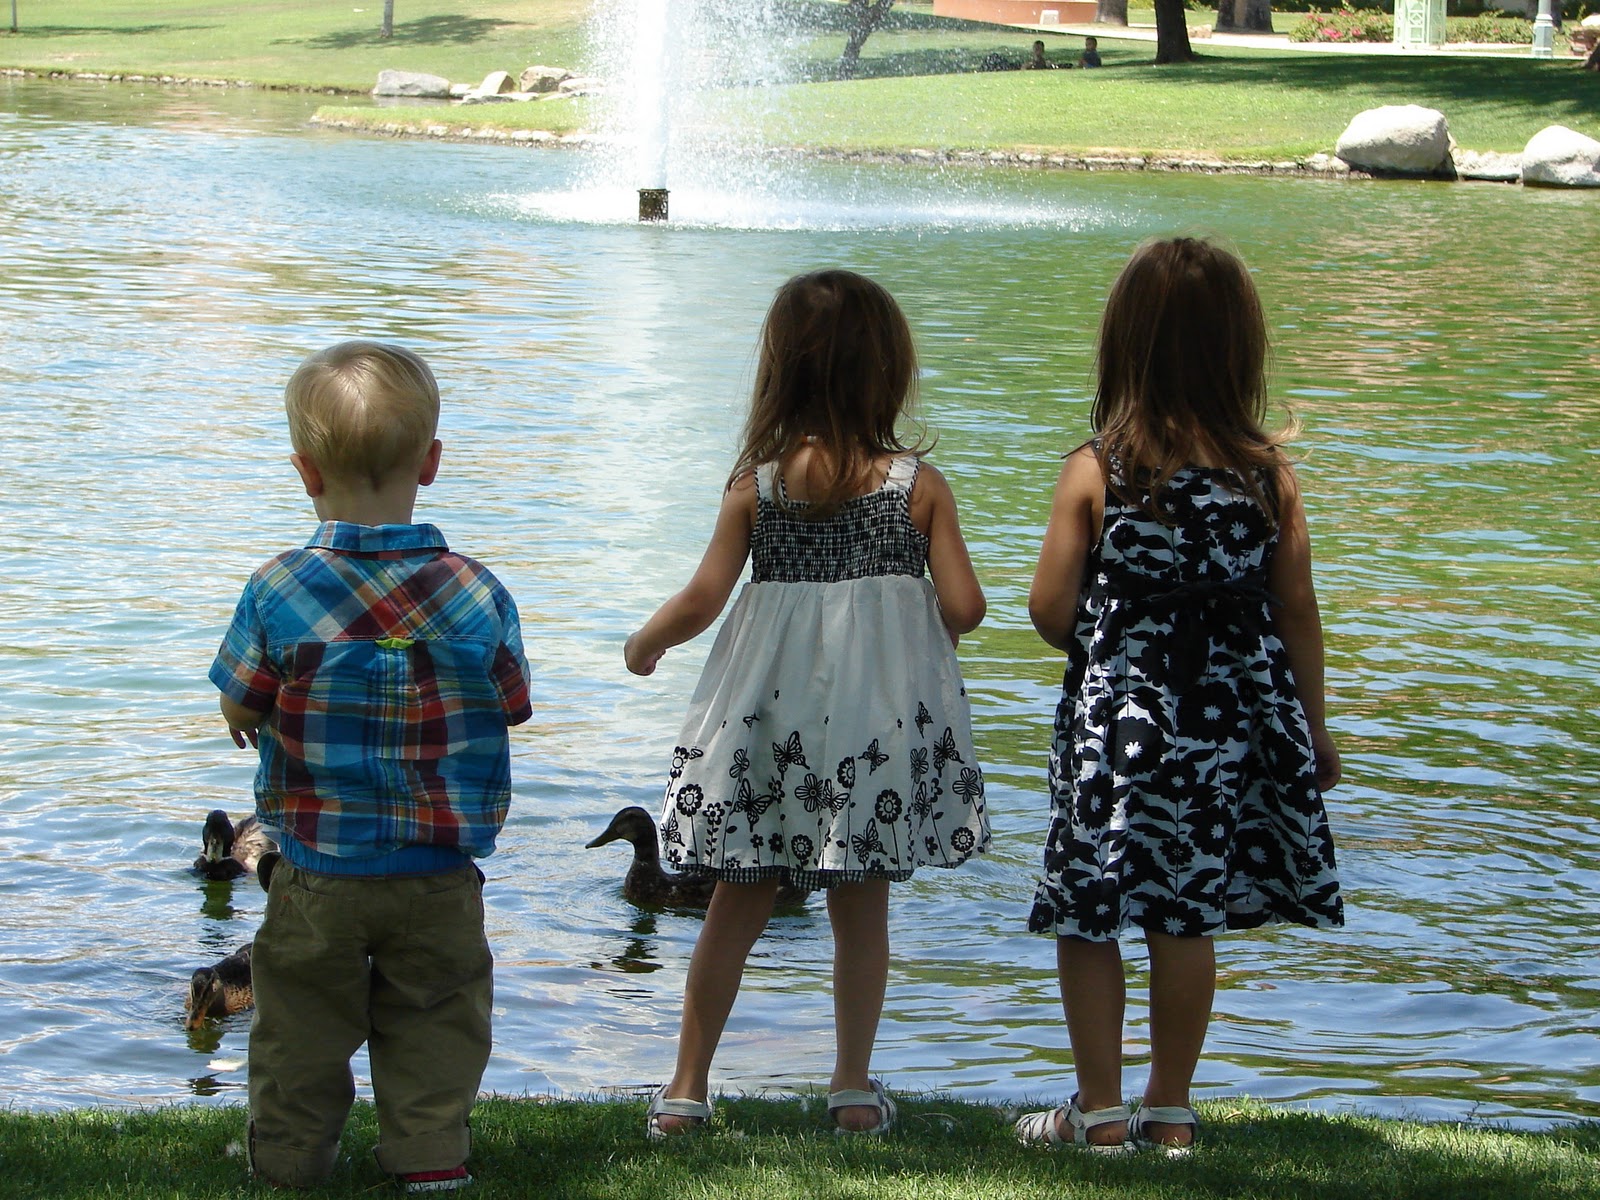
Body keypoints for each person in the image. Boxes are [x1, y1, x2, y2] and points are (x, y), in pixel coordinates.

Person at [625, 269, 990, 1139]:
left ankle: (685, 1089)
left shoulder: (758, 486)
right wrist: (903, 612)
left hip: (767, 734)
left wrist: (645, 643)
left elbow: (704, 597)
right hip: (871, 738)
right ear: (888, 371)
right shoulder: (916, 487)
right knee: (860, 913)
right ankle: (853, 1090)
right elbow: (968, 608)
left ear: (780, 373)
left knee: (734, 905)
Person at [1018, 238, 1342, 1154]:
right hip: (1229, 726)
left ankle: (1099, 1108)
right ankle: (1171, 1106)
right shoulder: (1267, 476)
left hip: (1116, 726)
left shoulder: (1100, 468)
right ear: (1240, 348)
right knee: (1186, 910)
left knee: (1090, 910)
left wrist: (1115, 646)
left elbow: (1048, 607)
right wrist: (1313, 727)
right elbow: (1299, 610)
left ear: (1125, 345)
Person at [210, 341, 532, 1194]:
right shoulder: (478, 590)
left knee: (299, 1028)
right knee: (436, 1021)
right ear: (430, 463)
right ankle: (429, 1160)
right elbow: (512, 701)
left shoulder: (277, 588)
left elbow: (241, 702)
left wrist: (253, 716)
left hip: (317, 869)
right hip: (438, 873)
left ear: (304, 470)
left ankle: (287, 1163)